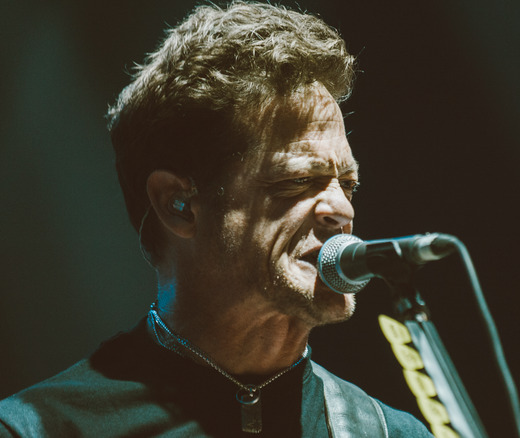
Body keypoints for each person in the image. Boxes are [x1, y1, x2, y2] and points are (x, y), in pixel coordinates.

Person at [0, 2, 433, 437]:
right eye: (299, 181)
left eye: (348, 184)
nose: (342, 210)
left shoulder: (392, 432)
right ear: (177, 204)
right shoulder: (39, 428)